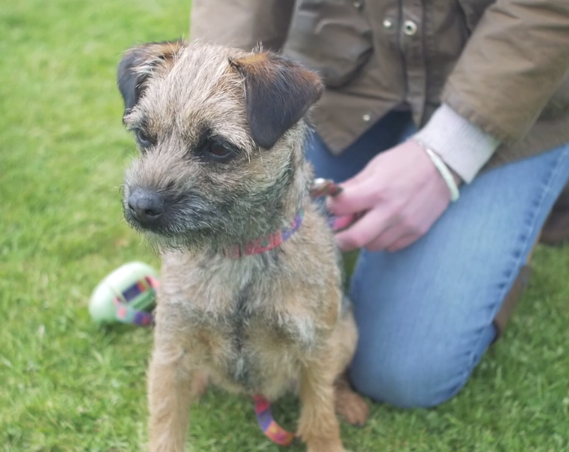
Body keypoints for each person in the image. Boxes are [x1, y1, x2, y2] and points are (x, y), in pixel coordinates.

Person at [189, 0, 569, 408]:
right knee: (235, 207)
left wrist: (445, 156)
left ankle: (519, 230)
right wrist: (212, 92)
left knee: (399, 372)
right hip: (348, 76)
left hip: (508, 85)